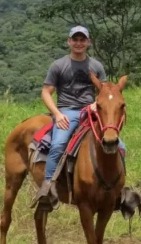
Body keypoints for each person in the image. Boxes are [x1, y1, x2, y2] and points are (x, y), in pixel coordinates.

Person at [33, 25, 111, 210]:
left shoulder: (96, 66)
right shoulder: (59, 65)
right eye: (75, 39)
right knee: (59, 144)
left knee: (118, 145)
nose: (78, 43)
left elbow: (106, 91)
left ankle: (117, 188)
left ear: (88, 42)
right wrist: (57, 114)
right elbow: (46, 92)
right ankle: (48, 187)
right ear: (69, 42)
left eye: (82, 39)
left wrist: (96, 104)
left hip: (92, 111)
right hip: (67, 111)